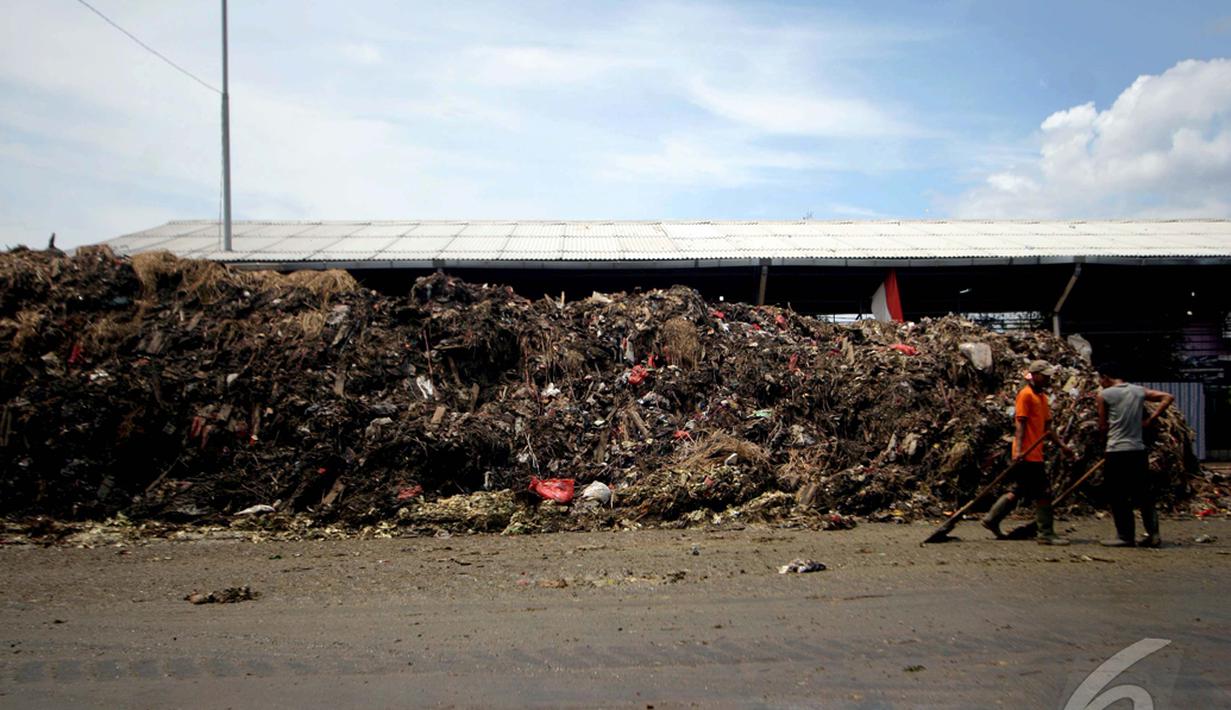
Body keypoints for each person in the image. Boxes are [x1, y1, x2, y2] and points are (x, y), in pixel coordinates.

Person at [982, 359, 1075, 545]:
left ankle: (992, 519)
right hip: (1026, 453)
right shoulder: (1025, 395)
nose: (1049, 379)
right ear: (1035, 376)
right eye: (1045, 376)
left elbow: (1048, 428)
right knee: (1044, 492)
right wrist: (1018, 451)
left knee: (1019, 489)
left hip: (1035, 452)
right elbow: (1020, 425)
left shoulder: (1042, 398)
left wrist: (1062, 446)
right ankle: (1046, 533)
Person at [1096, 362, 1174, 548]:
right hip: (1138, 451)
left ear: (1106, 377)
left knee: (1118, 495)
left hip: (1116, 450)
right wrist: (1150, 419)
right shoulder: (1138, 391)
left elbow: (1102, 426)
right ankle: (1153, 535)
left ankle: (1125, 536)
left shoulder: (1104, 395)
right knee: (1144, 494)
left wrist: (1103, 443)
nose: (1100, 382)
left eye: (1100, 379)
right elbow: (1167, 397)